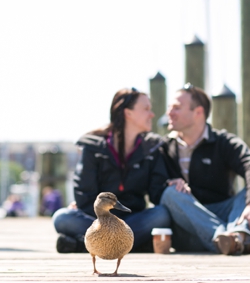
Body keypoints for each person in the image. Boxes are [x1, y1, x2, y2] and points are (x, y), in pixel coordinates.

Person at [52, 88, 171, 253]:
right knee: (62, 218)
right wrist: (101, 219)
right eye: (146, 109)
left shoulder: (152, 148)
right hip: (99, 221)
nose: (152, 114)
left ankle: (84, 245)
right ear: (128, 113)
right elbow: (85, 195)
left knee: (161, 215)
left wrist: (174, 181)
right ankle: (133, 244)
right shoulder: (93, 146)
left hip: (132, 219)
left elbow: (157, 194)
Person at [158, 83, 250, 255]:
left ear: (198, 112)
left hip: (224, 213)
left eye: (176, 108)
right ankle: (237, 238)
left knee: (249, 191)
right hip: (188, 224)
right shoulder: (164, 148)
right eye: (169, 107)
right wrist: (169, 183)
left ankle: (230, 238)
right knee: (170, 193)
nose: (169, 113)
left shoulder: (223, 142)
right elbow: (155, 185)